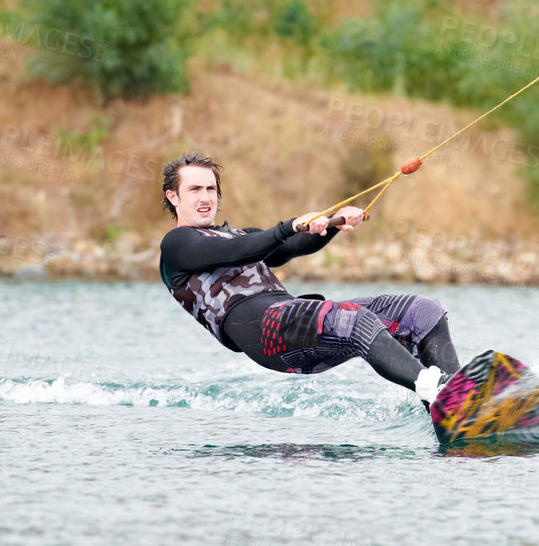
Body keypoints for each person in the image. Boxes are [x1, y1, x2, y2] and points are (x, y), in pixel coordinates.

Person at [157, 152, 461, 404]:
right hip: (266, 333)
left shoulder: (237, 234)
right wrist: (288, 225)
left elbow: (286, 247)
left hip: (296, 325)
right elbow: (240, 250)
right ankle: (438, 389)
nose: (205, 197)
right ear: (173, 196)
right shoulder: (177, 244)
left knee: (422, 312)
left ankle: (458, 407)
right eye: (194, 190)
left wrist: (331, 225)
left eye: (211, 189)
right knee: (353, 318)